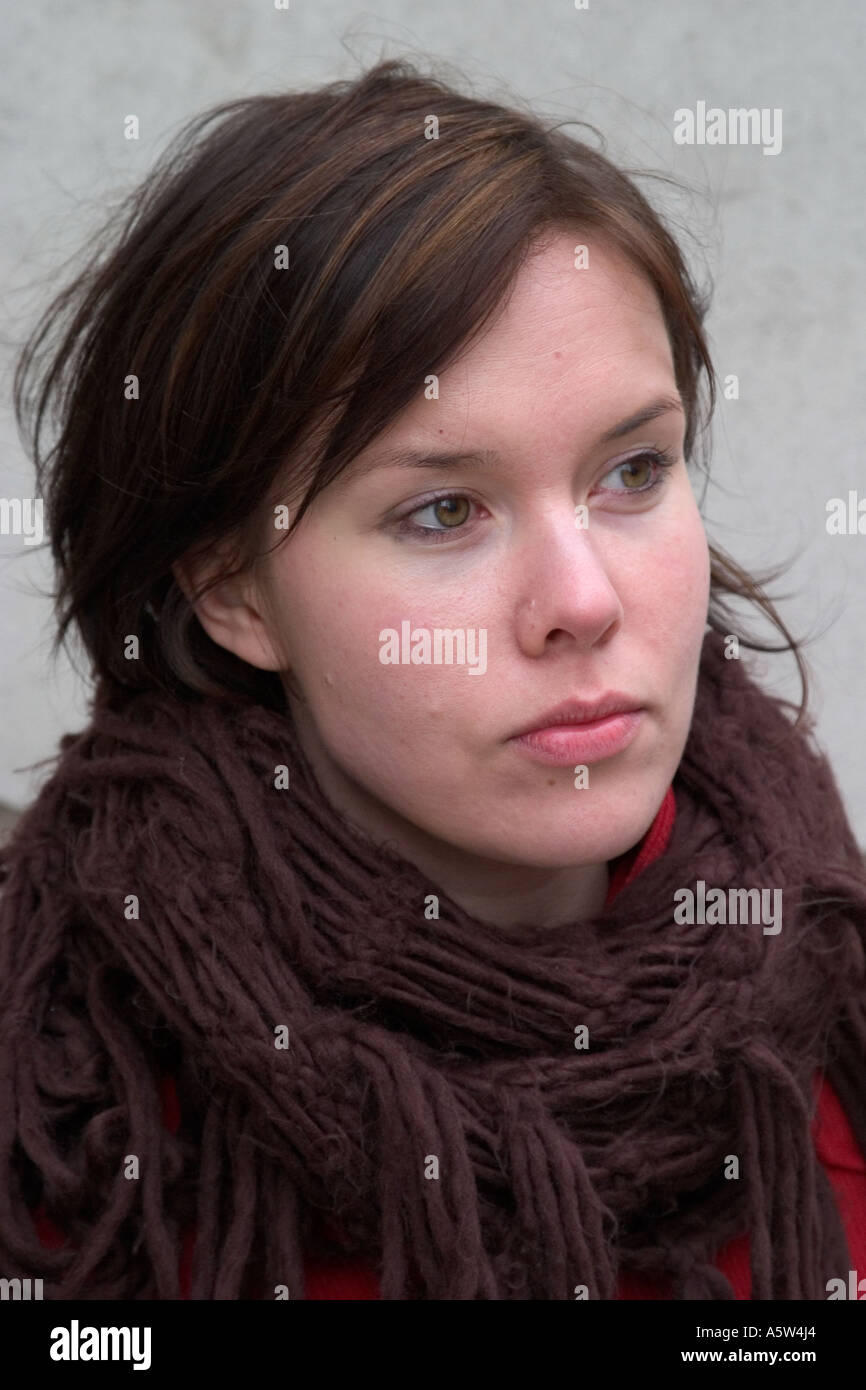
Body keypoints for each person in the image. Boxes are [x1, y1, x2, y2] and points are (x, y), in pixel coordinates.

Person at [1, 57, 865, 1302]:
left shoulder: (823, 986)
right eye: (444, 509)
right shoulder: (71, 1120)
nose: (583, 601)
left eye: (631, 472)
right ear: (233, 589)